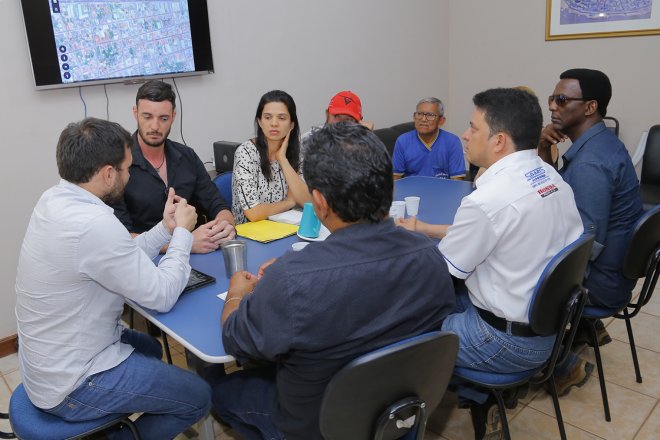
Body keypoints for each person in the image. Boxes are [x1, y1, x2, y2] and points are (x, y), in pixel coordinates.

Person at [209, 123, 455, 440]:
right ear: (389, 189)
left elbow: (235, 340)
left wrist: (235, 295)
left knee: (217, 388)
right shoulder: (430, 257)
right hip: (395, 408)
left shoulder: (291, 280)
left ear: (320, 203)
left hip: (314, 427)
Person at [399, 88, 583, 439]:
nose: (464, 135)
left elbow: (440, 272)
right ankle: (486, 401)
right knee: (446, 299)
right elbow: (493, 229)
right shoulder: (551, 178)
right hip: (551, 329)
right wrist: (424, 228)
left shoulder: (489, 200)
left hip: (505, 342)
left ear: (498, 141)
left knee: (401, 332)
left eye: (472, 127)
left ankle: (453, 406)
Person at [15, 118, 212, 439]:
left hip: (47, 363)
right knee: (198, 396)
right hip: (72, 384)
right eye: (127, 168)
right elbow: (161, 296)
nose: (130, 175)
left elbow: (121, 252)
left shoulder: (54, 200)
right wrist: (183, 236)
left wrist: (165, 229)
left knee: (149, 348)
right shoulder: (94, 223)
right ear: (108, 174)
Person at [540, 69, 644, 357]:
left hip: (602, 282)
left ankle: (560, 363)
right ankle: (583, 328)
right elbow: (553, 191)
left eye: (561, 100)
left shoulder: (591, 164)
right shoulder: (604, 143)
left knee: (509, 270)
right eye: (552, 98)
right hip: (617, 270)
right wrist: (542, 148)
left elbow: (584, 245)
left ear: (590, 107)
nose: (552, 106)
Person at [112, 80, 235, 254]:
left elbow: (217, 203)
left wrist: (225, 225)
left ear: (173, 117)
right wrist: (185, 244)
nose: (155, 126)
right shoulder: (117, 165)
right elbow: (121, 239)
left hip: (197, 258)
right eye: (147, 117)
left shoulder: (187, 156)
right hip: (145, 262)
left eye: (163, 118)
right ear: (135, 113)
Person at [231, 90, 311, 224]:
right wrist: (289, 203)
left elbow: (307, 202)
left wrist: (283, 159)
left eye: (282, 118)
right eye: (268, 117)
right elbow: (253, 213)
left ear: (292, 124)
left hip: (287, 228)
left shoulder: (297, 152)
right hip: (251, 233)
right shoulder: (245, 153)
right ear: (260, 122)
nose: (274, 123)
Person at [392, 97, 465, 180]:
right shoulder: (403, 141)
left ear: (441, 120)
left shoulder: (452, 142)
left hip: (442, 190)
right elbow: (396, 179)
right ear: (414, 117)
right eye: (419, 114)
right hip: (412, 191)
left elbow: (457, 180)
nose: (423, 119)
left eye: (430, 115)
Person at [300, 90, 374, 152]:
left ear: (358, 123)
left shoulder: (363, 143)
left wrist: (366, 137)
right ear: (327, 115)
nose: (341, 123)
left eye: (348, 119)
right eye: (337, 116)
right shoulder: (308, 141)